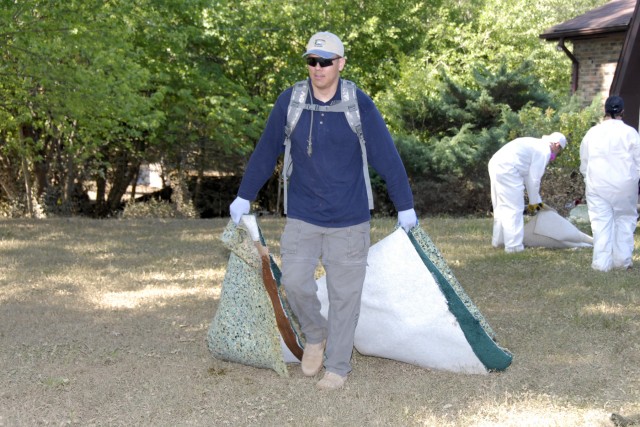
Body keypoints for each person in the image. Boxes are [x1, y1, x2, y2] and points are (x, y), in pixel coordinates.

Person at [229, 31, 417, 390]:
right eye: (312, 61)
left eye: (325, 62)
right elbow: (267, 150)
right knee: (296, 282)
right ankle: (315, 335)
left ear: (340, 64)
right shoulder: (291, 101)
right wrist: (244, 195)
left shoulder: (358, 104)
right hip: (302, 214)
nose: (317, 68)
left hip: (350, 218)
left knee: (345, 295)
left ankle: (338, 367)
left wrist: (405, 206)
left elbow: (387, 158)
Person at [579, 95, 640, 271]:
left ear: (604, 111)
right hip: (625, 184)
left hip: (597, 184)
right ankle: (622, 262)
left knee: (600, 223)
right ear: (622, 111)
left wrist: (587, 178)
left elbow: (585, 160)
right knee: (625, 220)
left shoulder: (593, 133)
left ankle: (601, 264)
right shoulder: (630, 133)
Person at [488, 132, 567, 253]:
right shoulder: (544, 151)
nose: (555, 155)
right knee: (514, 208)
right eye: (559, 151)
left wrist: (537, 203)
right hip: (508, 168)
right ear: (557, 145)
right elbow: (534, 180)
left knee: (501, 206)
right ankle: (514, 247)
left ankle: (499, 241)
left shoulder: (535, 144)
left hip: (496, 163)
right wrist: (534, 204)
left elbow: (529, 179)